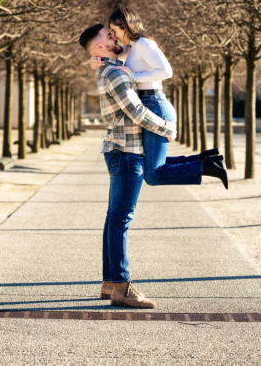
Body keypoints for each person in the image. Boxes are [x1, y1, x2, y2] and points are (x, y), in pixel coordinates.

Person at [80, 23, 174, 308]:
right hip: (127, 152)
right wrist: (165, 127)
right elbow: (135, 111)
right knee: (121, 220)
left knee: (114, 218)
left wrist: (97, 61)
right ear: (99, 47)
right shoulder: (115, 74)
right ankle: (122, 287)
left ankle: (110, 284)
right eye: (109, 37)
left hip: (120, 151)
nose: (115, 37)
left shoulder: (109, 67)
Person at [90, 6, 228, 189]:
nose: (114, 36)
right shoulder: (130, 48)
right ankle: (206, 159)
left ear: (125, 26)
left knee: (153, 175)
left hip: (155, 104)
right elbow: (108, 54)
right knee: (153, 167)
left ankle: (207, 166)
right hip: (149, 103)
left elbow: (167, 72)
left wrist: (134, 76)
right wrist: (93, 61)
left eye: (115, 31)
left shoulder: (144, 44)